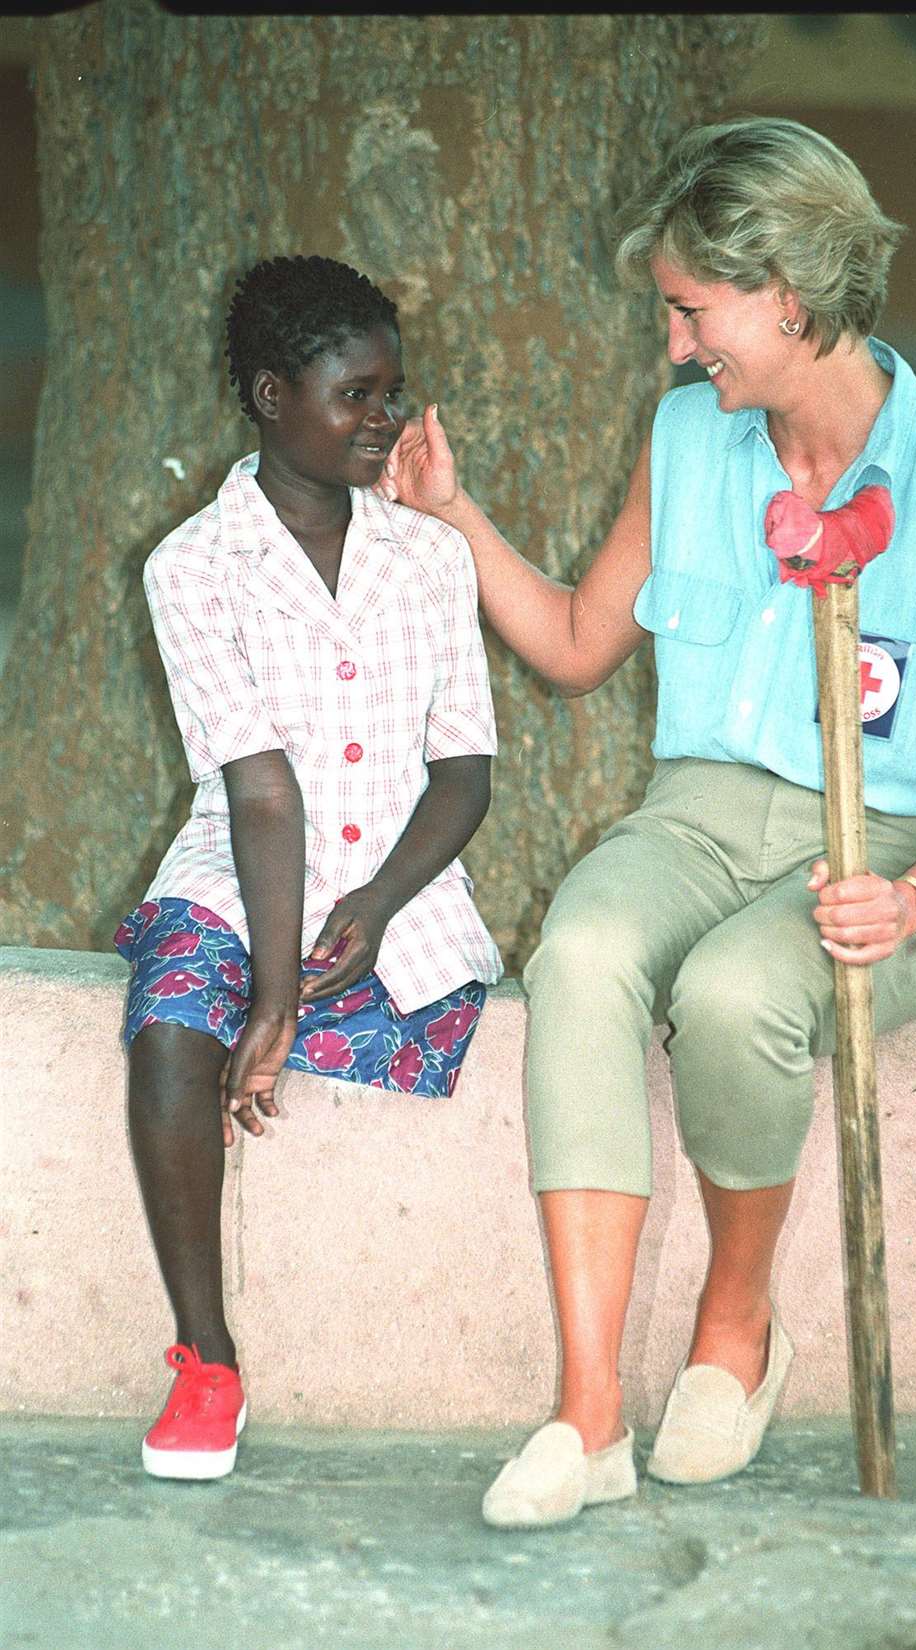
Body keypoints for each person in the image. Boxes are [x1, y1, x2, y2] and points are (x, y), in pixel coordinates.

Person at [378, 117, 916, 1528]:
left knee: (741, 989)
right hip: (698, 816)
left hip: (886, 854)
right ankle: (590, 1411)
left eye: (692, 311)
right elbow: (569, 642)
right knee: (585, 948)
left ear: (790, 292)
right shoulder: (687, 436)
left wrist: (907, 902)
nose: (676, 347)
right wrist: (454, 514)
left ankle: (736, 1328)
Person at [114, 254, 501, 1480]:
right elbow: (261, 792)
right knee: (177, 1023)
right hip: (244, 862)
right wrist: (271, 995)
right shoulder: (192, 568)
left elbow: (465, 772)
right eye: (358, 395)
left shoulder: (430, 559)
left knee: (406, 1014)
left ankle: (309, 989)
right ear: (273, 396)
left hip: (395, 876)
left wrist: (381, 906)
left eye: (394, 391)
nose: (387, 419)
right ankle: (206, 1360)